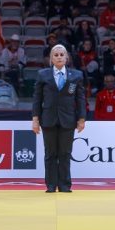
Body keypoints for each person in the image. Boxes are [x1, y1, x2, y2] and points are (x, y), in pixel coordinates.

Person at [32, 44, 86, 193]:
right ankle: (50, 185)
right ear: (51, 58)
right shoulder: (43, 74)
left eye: (62, 54)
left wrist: (81, 119)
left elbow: (80, 99)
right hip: (48, 119)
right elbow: (37, 98)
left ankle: (64, 185)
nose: (59, 57)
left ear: (67, 57)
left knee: (65, 153)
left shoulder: (76, 75)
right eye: (56, 55)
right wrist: (35, 119)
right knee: (50, 154)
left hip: (68, 119)